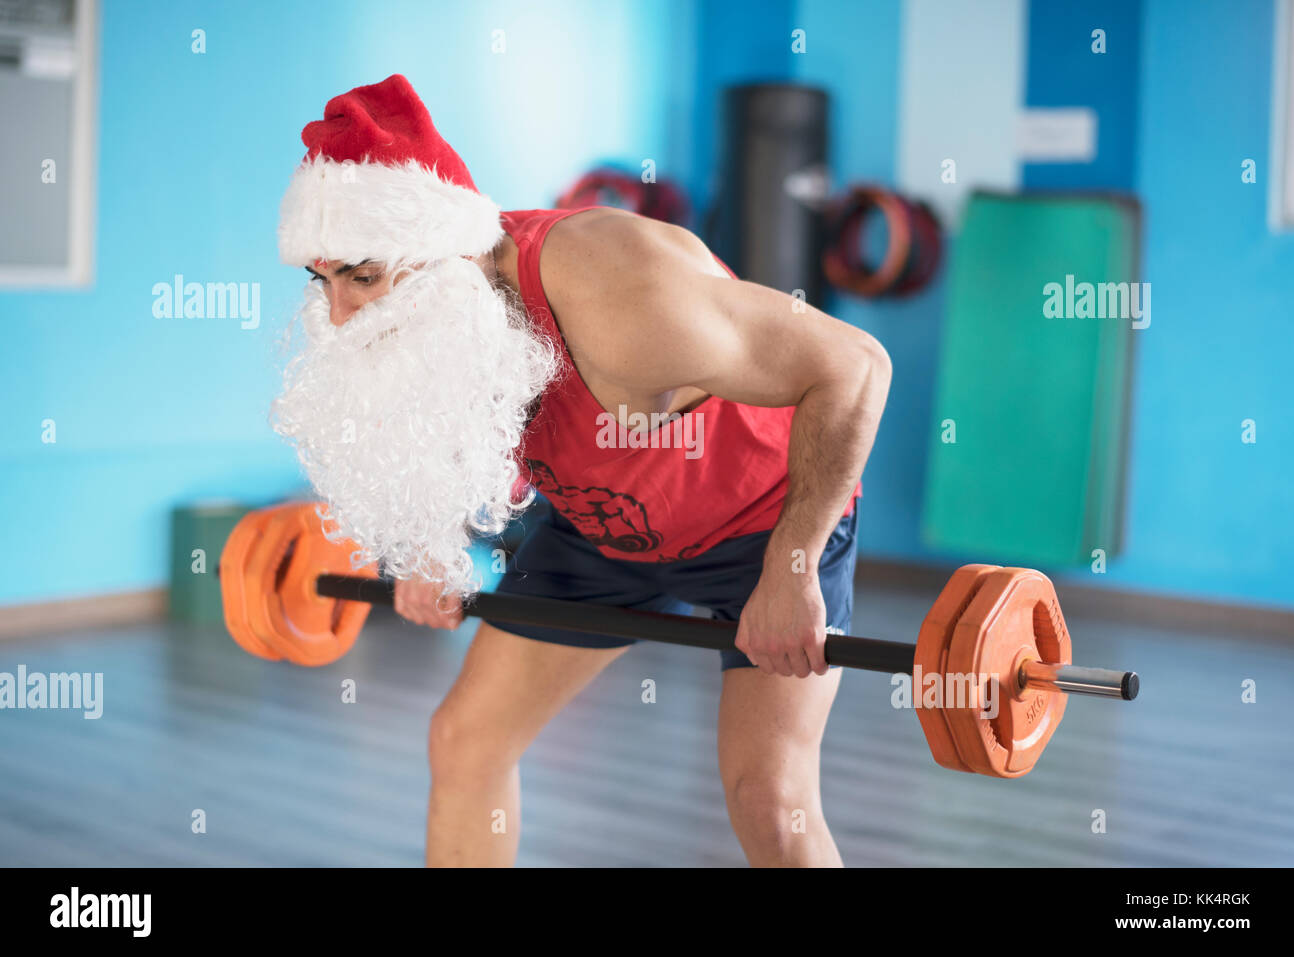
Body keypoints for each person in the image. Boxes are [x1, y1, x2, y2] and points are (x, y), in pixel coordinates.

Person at [272, 74, 892, 867]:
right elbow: (442, 424)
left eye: (361, 276)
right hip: (606, 526)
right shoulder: (443, 313)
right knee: (464, 742)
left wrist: (794, 563)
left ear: (443, 252)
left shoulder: (620, 297)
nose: (340, 315)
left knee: (769, 801)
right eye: (323, 281)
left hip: (760, 521)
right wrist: (433, 546)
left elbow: (855, 367)